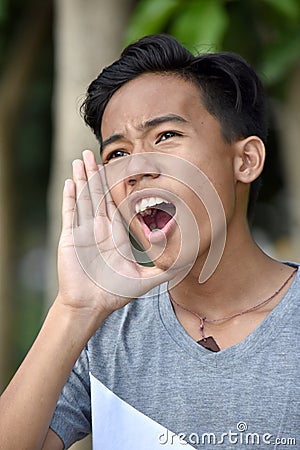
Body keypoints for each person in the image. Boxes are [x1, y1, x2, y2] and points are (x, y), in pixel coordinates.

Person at [0, 34, 299, 450]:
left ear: (245, 160)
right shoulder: (103, 332)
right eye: (117, 154)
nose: (136, 169)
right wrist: (74, 310)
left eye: (165, 136)